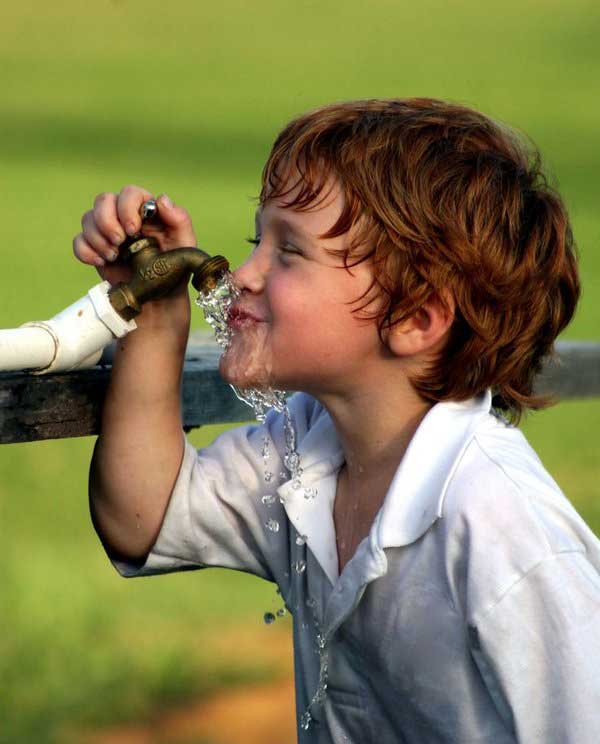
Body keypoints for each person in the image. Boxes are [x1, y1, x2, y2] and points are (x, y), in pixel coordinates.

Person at [73, 98, 600, 743]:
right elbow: (143, 517)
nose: (242, 275)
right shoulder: (308, 446)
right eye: (254, 241)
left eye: (289, 252)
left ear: (413, 320)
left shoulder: (502, 533)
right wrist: (156, 321)